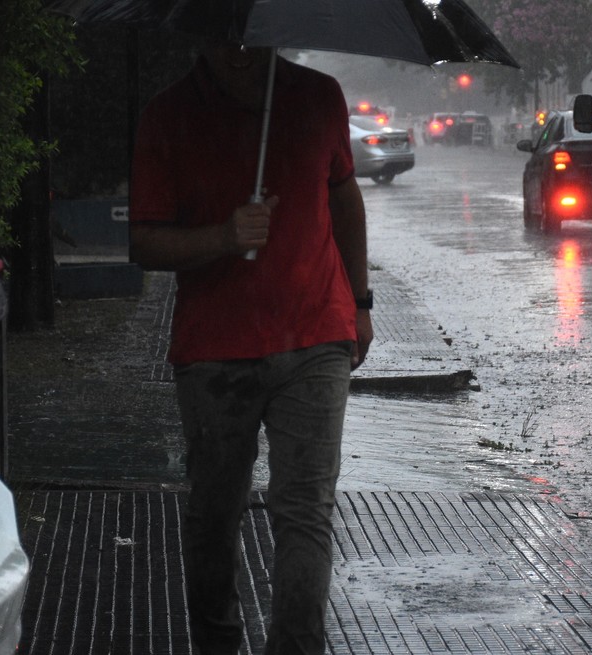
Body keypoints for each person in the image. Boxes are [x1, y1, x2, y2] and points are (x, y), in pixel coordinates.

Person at [126, 23, 373, 655]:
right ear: (197, 36)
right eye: (221, 37)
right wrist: (223, 237)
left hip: (316, 332)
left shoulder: (320, 98)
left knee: (305, 508)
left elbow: (344, 196)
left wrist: (360, 300)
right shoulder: (167, 116)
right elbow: (145, 242)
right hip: (215, 350)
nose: (237, 52)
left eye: (248, 38)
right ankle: (219, 641)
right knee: (214, 515)